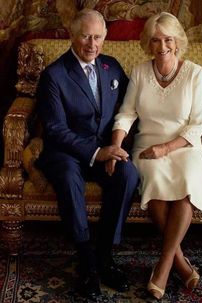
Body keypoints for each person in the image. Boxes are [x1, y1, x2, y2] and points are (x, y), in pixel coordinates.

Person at [108, 12, 202, 300]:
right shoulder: (140, 72)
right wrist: (117, 145)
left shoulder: (195, 73)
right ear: (148, 44)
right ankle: (180, 263)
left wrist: (167, 148)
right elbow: (127, 113)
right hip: (147, 146)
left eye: (168, 39)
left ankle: (164, 266)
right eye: (155, 40)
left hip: (185, 146)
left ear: (177, 42)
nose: (162, 46)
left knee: (186, 186)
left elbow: (196, 124)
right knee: (153, 184)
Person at [36, 8, 139, 300]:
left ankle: (104, 256)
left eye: (98, 37)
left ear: (105, 38)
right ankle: (86, 261)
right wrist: (97, 152)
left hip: (106, 150)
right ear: (72, 35)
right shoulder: (54, 75)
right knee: (69, 178)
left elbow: (129, 112)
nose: (92, 44)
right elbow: (55, 129)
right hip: (66, 153)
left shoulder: (112, 67)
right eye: (85, 36)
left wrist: (117, 150)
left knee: (128, 173)